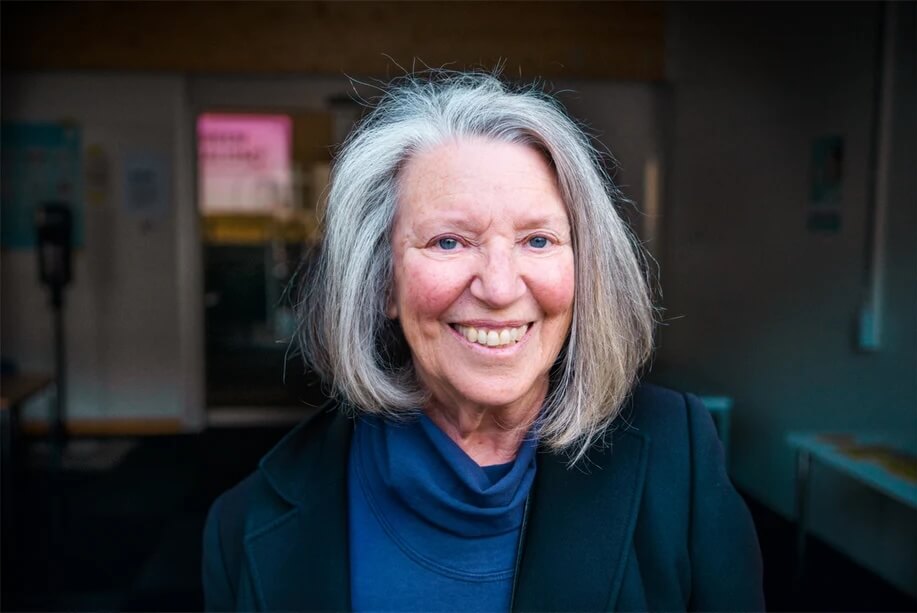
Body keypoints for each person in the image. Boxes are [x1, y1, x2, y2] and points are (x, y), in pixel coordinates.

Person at [202, 72, 764, 612]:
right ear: (381, 282)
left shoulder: (678, 460)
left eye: (538, 240)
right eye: (449, 242)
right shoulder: (244, 523)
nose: (499, 287)